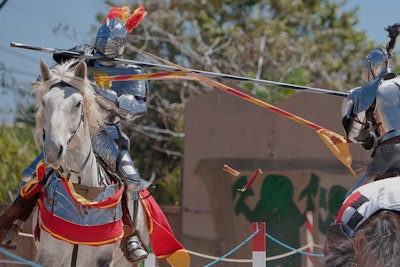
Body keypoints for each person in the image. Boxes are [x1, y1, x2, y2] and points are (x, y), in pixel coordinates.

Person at [0, 5, 150, 263]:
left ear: (121, 44)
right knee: (32, 174)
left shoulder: (133, 72)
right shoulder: (83, 60)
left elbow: (136, 107)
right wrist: (64, 64)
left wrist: (102, 94)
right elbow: (45, 81)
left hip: (107, 136)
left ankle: (129, 234)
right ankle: (11, 223)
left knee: (133, 180)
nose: (106, 49)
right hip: (74, 132)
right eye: (102, 43)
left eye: (111, 44)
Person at [341, 23, 400, 196]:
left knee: (353, 196)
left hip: (388, 154)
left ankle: (343, 224)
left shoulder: (367, 91)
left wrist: (367, 139)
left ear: (369, 69)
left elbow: (354, 134)